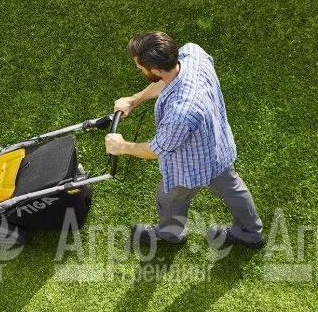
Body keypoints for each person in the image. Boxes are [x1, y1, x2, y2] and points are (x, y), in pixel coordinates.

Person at [104, 31, 265, 249]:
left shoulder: (181, 111)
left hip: (191, 166)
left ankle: (170, 234)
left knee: (169, 197)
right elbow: (167, 80)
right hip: (219, 148)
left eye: (140, 67)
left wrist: (122, 146)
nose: (139, 69)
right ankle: (251, 233)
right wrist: (134, 100)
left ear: (155, 70)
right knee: (233, 189)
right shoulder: (192, 54)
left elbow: (157, 149)